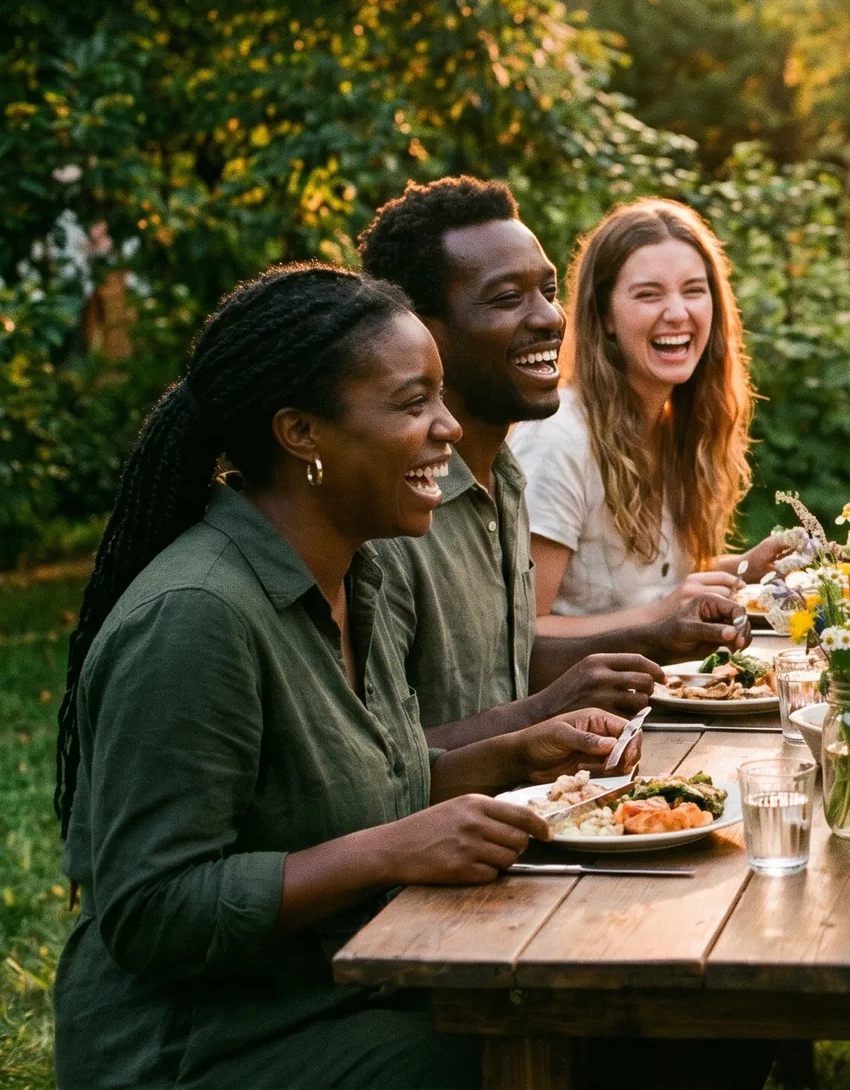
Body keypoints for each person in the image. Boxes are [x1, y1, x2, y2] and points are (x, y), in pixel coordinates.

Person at [53, 266, 640, 1089]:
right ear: (302, 433)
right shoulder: (197, 618)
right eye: (412, 403)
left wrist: (514, 754)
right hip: (203, 1048)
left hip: (350, 985)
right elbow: (152, 911)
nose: (447, 426)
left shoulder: (358, 578)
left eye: (441, 397)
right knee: (563, 1055)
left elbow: (357, 786)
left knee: (644, 1016)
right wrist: (390, 852)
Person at [358, 178, 750, 750]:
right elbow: (381, 764)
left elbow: (512, 659)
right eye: (506, 298)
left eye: (547, 291)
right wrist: (550, 708)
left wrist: (666, 633)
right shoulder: (391, 515)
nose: (549, 317)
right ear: (419, 331)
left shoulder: (503, 478)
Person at [512, 197, 785, 638]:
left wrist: (744, 569)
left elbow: (647, 586)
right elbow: (522, 631)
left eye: (693, 291)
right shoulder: (558, 436)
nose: (677, 313)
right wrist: (662, 616)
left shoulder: (677, 427)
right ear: (605, 316)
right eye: (648, 294)